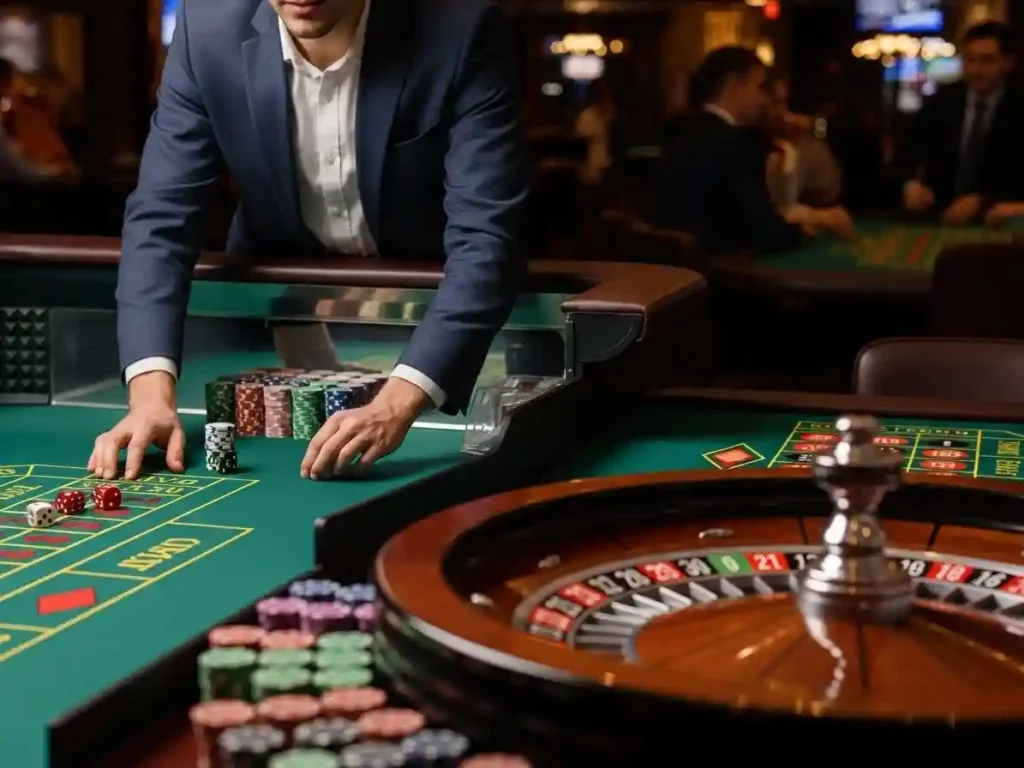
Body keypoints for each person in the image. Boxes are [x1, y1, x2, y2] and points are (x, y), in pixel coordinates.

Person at [89, 0, 528, 482]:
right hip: (278, 318)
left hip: (440, 323)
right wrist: (150, 396)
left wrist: (399, 402)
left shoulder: (461, 30)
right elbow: (160, 221)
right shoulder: (206, 31)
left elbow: (486, 236)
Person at [648, 46, 853, 256]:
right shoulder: (735, 144)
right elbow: (762, 231)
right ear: (736, 86)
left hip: (674, 273)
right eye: (759, 88)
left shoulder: (680, 132)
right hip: (715, 274)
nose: (763, 99)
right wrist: (801, 232)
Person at [895, 21, 1024, 224]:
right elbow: (902, 159)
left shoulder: (1019, 108)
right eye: (970, 60)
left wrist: (982, 201)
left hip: (998, 225)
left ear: (1008, 63)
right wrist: (910, 185)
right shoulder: (940, 103)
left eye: (987, 61)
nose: (976, 70)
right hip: (937, 221)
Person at [760, 75, 843, 213]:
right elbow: (782, 203)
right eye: (776, 103)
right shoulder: (754, 145)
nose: (783, 112)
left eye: (784, 103)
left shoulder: (795, 140)